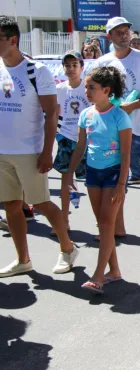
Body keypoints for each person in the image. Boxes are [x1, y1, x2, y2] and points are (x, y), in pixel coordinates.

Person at [0, 17, 78, 277]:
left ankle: (68, 248)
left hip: (29, 151)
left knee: (42, 203)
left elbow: (51, 114)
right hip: (2, 152)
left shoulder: (37, 71)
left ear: (13, 40)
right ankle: (23, 260)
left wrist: (47, 152)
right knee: (11, 205)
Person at [95, 17, 140, 235]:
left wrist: (133, 105)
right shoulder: (102, 63)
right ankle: (117, 227)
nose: (124, 35)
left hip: (137, 129)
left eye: (126, 31)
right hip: (110, 131)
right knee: (115, 178)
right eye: (119, 32)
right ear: (110, 36)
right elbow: (94, 94)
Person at [64, 66, 131, 293]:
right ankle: (115, 271)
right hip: (93, 174)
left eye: (91, 87)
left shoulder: (120, 116)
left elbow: (125, 153)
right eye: (86, 87)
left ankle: (98, 276)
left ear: (106, 89)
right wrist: (70, 173)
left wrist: (122, 184)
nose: (87, 91)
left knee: (105, 224)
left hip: (113, 174)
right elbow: (81, 146)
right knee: (104, 226)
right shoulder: (86, 114)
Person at [53, 51, 90, 236]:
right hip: (66, 137)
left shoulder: (88, 87)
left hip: (87, 139)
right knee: (66, 178)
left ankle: (102, 222)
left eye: (74, 65)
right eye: (67, 65)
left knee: (92, 181)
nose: (71, 69)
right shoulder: (60, 89)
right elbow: (54, 113)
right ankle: (64, 220)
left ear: (81, 67)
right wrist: (56, 135)